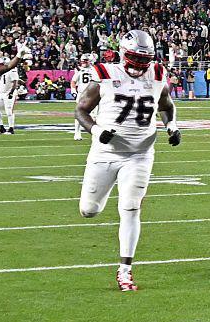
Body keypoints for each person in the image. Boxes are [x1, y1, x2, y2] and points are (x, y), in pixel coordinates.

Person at [73, 30, 182, 291]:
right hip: (105, 153)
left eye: (143, 58)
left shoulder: (157, 74)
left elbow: (166, 106)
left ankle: (125, 270)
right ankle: (102, 196)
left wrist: (172, 126)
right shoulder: (105, 74)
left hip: (140, 154)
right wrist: (97, 131)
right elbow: (81, 110)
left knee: (131, 208)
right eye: (134, 57)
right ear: (124, 54)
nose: (139, 64)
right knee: (89, 210)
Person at [70, 54, 97, 140]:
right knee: (79, 113)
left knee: (95, 115)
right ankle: (77, 132)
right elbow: (73, 82)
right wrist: (73, 91)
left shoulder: (94, 70)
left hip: (93, 94)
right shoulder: (79, 71)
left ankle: (95, 132)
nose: (84, 62)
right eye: (83, 61)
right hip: (82, 94)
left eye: (86, 60)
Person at [0, 56, 20, 135]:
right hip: (0, 93)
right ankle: (1, 127)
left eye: (0, 64)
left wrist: (11, 92)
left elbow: (15, 82)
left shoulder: (11, 70)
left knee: (8, 111)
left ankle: (11, 128)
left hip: (8, 92)